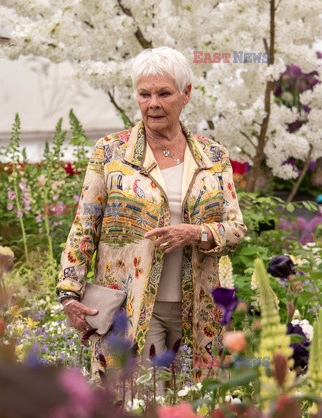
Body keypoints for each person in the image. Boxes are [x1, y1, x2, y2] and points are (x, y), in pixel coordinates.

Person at [57, 46, 247, 380]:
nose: (153, 104)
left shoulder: (213, 156)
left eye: (163, 93)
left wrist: (196, 232)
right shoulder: (111, 153)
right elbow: (85, 225)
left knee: (193, 402)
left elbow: (235, 228)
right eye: (144, 94)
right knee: (139, 399)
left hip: (198, 307)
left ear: (186, 94)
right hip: (129, 303)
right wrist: (68, 295)